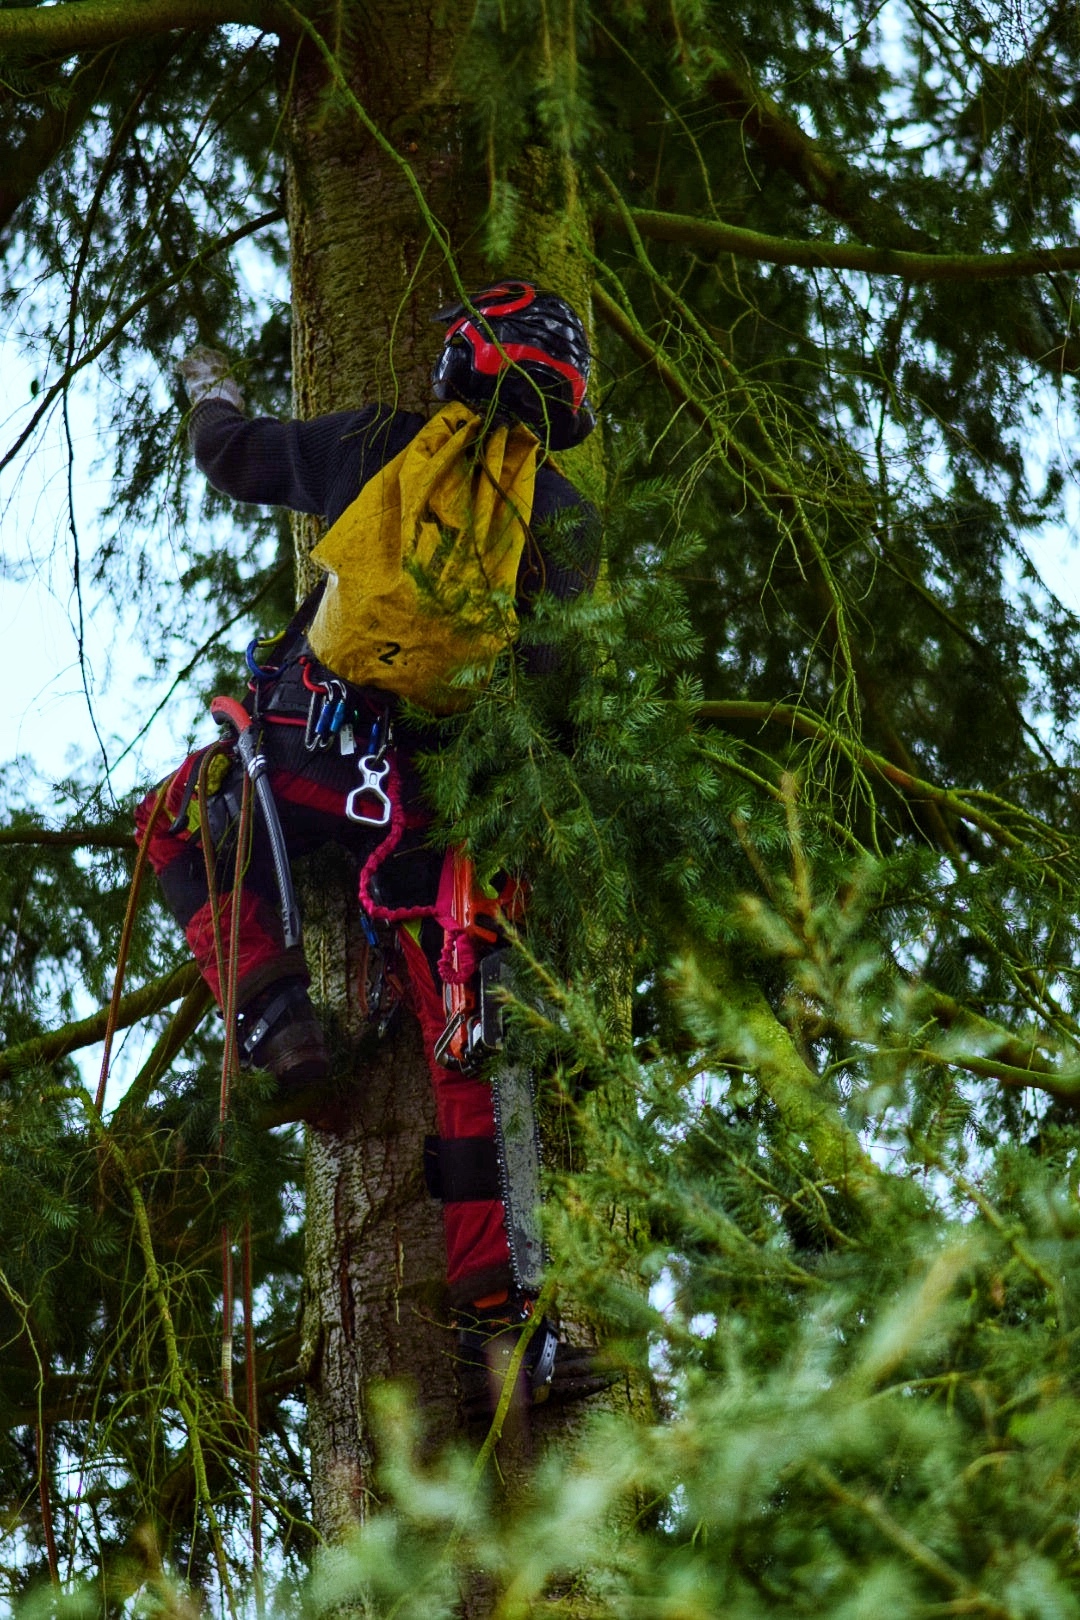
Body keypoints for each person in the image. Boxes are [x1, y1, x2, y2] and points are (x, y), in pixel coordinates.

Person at [135, 280, 599, 1405]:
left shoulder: (383, 442)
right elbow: (559, 704)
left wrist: (210, 392)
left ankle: (277, 1014)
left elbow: (239, 459)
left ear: (459, 363)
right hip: (427, 815)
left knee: (170, 822)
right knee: (466, 1040)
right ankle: (497, 1328)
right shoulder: (567, 517)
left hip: (303, 767)